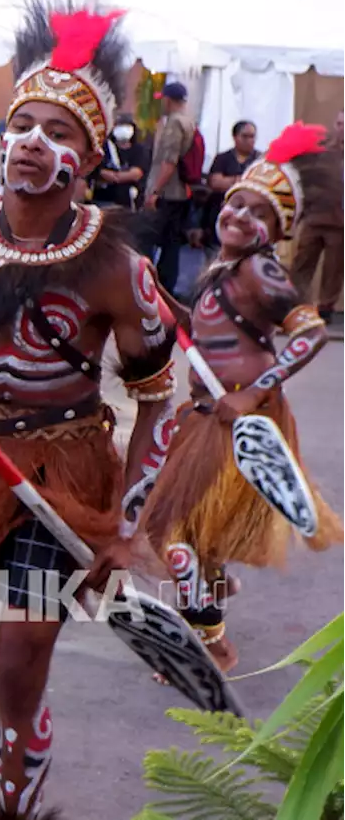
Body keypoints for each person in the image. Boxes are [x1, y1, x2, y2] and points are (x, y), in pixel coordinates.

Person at [0, 1, 179, 816]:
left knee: (22, 655)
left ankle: (19, 795)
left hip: (61, 477)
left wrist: (126, 527)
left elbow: (157, 400)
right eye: (22, 122)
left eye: (58, 132)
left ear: (88, 159)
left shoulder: (116, 265)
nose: (32, 140)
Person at [138, 122, 345, 675]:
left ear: (274, 233)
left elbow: (311, 332)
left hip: (241, 420)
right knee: (188, 534)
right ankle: (203, 618)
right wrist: (166, 306)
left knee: (173, 535)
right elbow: (208, 333)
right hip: (208, 416)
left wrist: (255, 390)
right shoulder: (222, 267)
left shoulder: (261, 269)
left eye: (257, 214)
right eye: (236, 205)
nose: (239, 217)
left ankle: (214, 643)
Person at [146, 81, 197, 296]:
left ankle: (156, 286)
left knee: (150, 238)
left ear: (168, 99)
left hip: (167, 192)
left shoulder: (175, 124)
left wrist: (154, 191)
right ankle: (166, 286)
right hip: (180, 192)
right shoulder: (190, 121)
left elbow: (169, 161)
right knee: (172, 242)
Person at [295, 108, 345, 319]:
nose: (342, 129)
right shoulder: (321, 150)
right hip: (315, 217)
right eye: (340, 124)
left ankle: (325, 309)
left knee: (333, 270)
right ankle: (295, 305)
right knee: (302, 263)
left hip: (341, 222)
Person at [204, 120, 260, 245]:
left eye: (252, 136)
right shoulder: (223, 158)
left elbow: (260, 185)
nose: (249, 140)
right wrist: (243, 181)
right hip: (220, 213)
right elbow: (215, 183)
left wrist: (229, 181)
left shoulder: (259, 160)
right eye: (245, 136)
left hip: (249, 217)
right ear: (235, 137)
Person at [93, 113, 150, 210]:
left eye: (127, 126)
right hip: (103, 199)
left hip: (128, 202)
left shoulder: (139, 150)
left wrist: (115, 177)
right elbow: (98, 170)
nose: (123, 129)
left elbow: (136, 174)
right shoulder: (105, 148)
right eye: (119, 125)